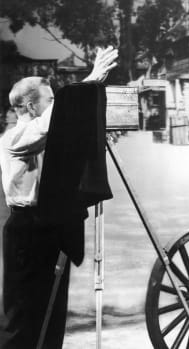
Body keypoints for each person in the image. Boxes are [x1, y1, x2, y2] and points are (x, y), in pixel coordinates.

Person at [0, 46, 118, 349]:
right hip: (25, 229)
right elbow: (48, 127)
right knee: (23, 309)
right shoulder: (13, 137)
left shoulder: (46, 134)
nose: (57, 107)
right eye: (51, 101)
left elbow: (66, 141)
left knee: (52, 307)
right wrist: (88, 80)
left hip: (48, 224)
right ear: (29, 106)